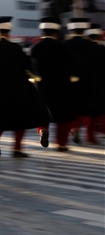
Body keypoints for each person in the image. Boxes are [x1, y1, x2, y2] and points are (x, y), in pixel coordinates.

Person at [0, 17, 50, 158]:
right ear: (8, 31)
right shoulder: (15, 47)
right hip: (18, 87)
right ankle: (18, 148)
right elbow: (27, 64)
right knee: (20, 118)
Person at [31, 17, 75, 151]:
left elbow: (32, 68)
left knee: (44, 112)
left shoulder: (36, 48)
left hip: (43, 85)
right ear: (56, 32)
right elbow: (71, 65)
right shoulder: (63, 47)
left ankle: (43, 130)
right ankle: (61, 144)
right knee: (63, 117)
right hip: (62, 86)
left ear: (42, 32)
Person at [64, 18, 103, 145]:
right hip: (90, 83)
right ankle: (91, 137)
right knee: (90, 111)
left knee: (72, 109)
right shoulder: (94, 46)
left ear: (70, 29)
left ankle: (74, 127)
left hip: (70, 82)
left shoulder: (64, 45)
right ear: (84, 30)